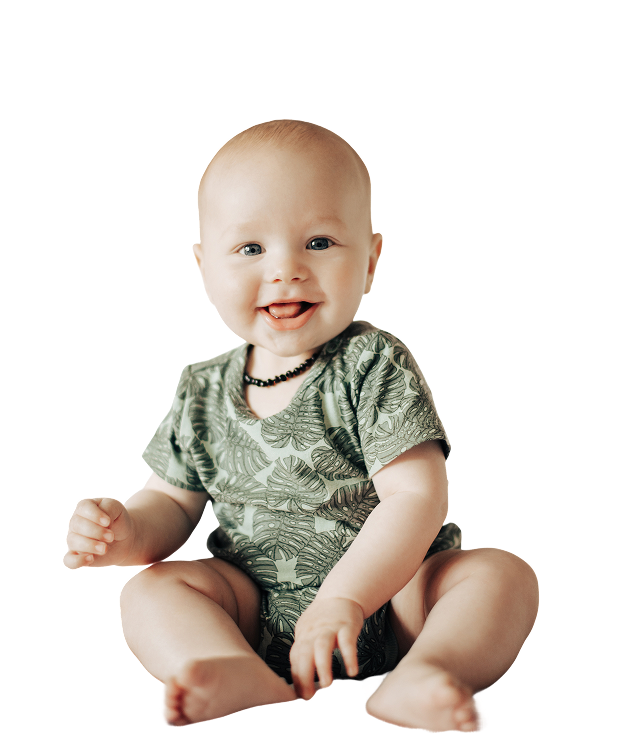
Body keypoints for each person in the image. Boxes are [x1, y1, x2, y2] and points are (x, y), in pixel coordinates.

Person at [63, 119, 539, 732]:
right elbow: (172, 505)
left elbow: (417, 497)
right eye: (251, 249)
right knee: (148, 592)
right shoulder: (201, 388)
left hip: (396, 601)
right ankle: (232, 667)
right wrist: (127, 532)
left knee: (500, 575)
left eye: (318, 242)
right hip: (251, 603)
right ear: (204, 269)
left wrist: (346, 598)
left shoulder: (372, 363)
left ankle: (428, 671)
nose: (286, 269)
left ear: (370, 261)